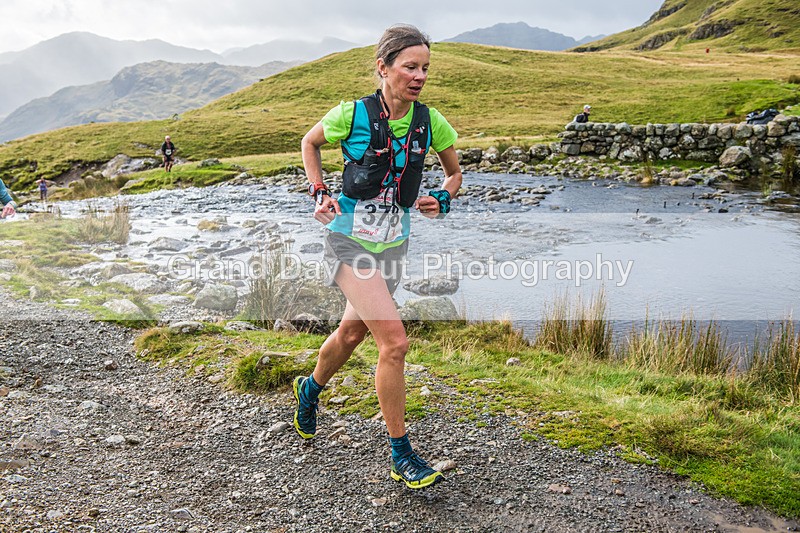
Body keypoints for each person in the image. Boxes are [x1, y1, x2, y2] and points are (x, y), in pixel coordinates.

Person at [297, 24, 462, 490]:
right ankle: (401, 453)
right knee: (395, 343)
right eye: (410, 66)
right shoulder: (351, 115)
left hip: (393, 246)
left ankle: (309, 390)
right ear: (383, 67)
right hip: (348, 241)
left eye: (425, 67)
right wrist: (319, 191)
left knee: (351, 335)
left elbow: (454, 174)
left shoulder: (432, 122)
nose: (419, 76)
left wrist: (442, 198)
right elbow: (310, 143)